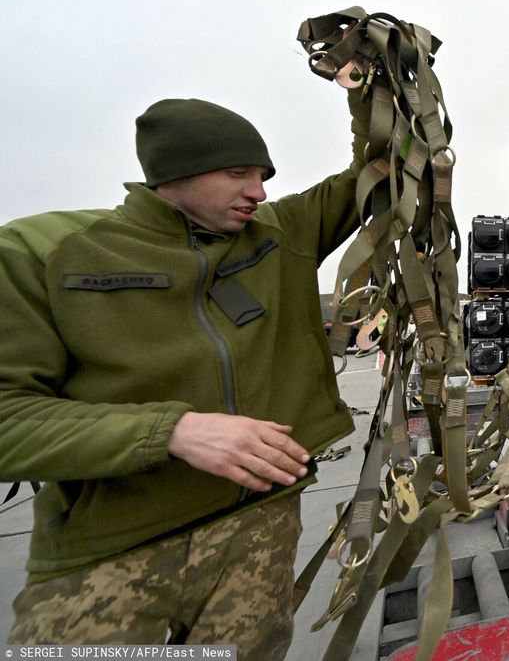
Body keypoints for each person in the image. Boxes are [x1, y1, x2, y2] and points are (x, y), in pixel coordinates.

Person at [0, 92, 367, 656]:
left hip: (261, 527)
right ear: (174, 173)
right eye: (237, 172)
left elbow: (382, 168)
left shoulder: (281, 232)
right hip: (111, 548)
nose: (258, 191)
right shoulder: (42, 253)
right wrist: (174, 430)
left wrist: (370, 77)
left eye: (263, 175)